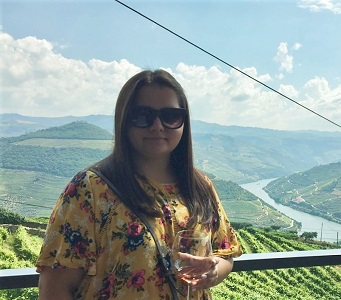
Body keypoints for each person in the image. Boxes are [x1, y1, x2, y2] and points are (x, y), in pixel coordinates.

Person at [36, 69, 242, 299]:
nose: (157, 126)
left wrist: (214, 271)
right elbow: (54, 289)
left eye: (170, 116)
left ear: (184, 122)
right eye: (142, 115)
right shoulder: (88, 190)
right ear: (124, 120)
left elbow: (225, 254)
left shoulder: (200, 187)